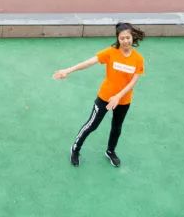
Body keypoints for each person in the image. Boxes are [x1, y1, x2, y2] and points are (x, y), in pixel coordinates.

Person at [54, 22, 145, 168]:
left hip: (123, 100)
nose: (125, 41)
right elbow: (90, 62)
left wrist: (118, 97)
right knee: (92, 125)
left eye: (128, 37)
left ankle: (110, 151)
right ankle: (75, 149)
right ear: (118, 39)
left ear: (132, 37)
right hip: (105, 97)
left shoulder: (138, 59)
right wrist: (68, 70)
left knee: (117, 127)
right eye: (122, 38)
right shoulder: (110, 52)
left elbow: (133, 82)